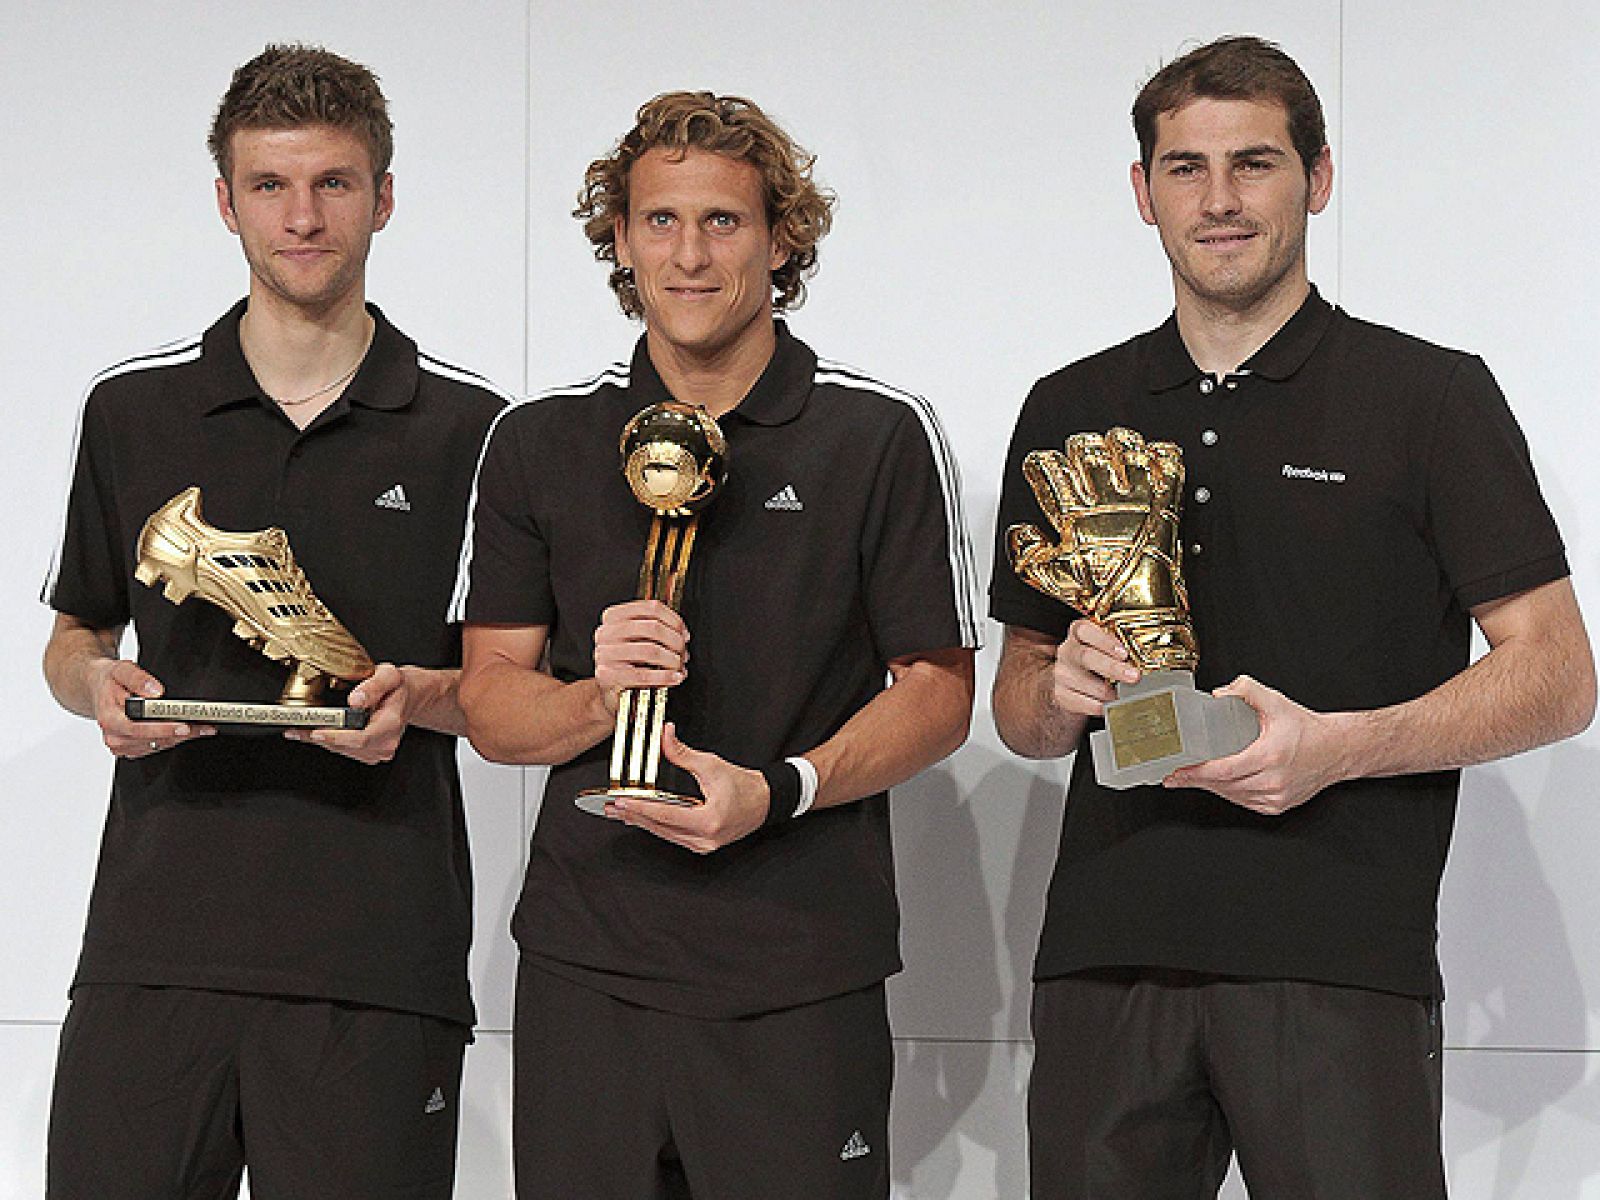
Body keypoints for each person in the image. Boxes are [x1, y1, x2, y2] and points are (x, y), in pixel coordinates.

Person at [989, 34, 1594, 1200]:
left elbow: (1557, 675)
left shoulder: (1427, 396)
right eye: (1186, 168)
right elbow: (1019, 709)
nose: (1217, 199)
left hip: (1339, 958)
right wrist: (1055, 692)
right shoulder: (1071, 405)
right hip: (1108, 953)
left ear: (1315, 179)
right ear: (1143, 191)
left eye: (1253, 163)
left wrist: (1340, 748)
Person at [453, 91, 979, 1199]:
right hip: (588, 969)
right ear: (620, 239)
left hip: (799, 966)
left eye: (723, 222)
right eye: (660, 221)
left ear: (781, 239)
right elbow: (491, 704)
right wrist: (596, 697)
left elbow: (938, 693)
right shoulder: (538, 440)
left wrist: (782, 790)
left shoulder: (876, 434)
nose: (688, 256)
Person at [40, 43, 505, 1200]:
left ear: (383, 198)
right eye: (270, 186)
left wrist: (419, 699)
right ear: (226, 201)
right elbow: (75, 638)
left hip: (378, 959)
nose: (302, 218)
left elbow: (514, 692)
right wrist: (96, 686)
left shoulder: (475, 431)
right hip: (152, 949)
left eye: (333, 183)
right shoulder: (132, 409)